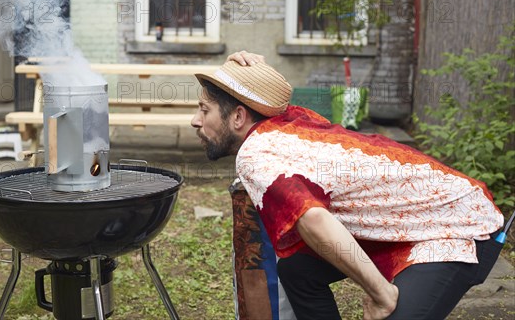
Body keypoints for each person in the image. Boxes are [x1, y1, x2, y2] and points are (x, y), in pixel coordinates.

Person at [191, 51, 505, 320]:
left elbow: (314, 220)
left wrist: (380, 292)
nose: (195, 120)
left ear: (238, 117)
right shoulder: (288, 122)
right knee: (296, 271)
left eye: (204, 110)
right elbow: (267, 98)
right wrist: (248, 69)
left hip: (455, 228)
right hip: (409, 223)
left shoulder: (255, 154)